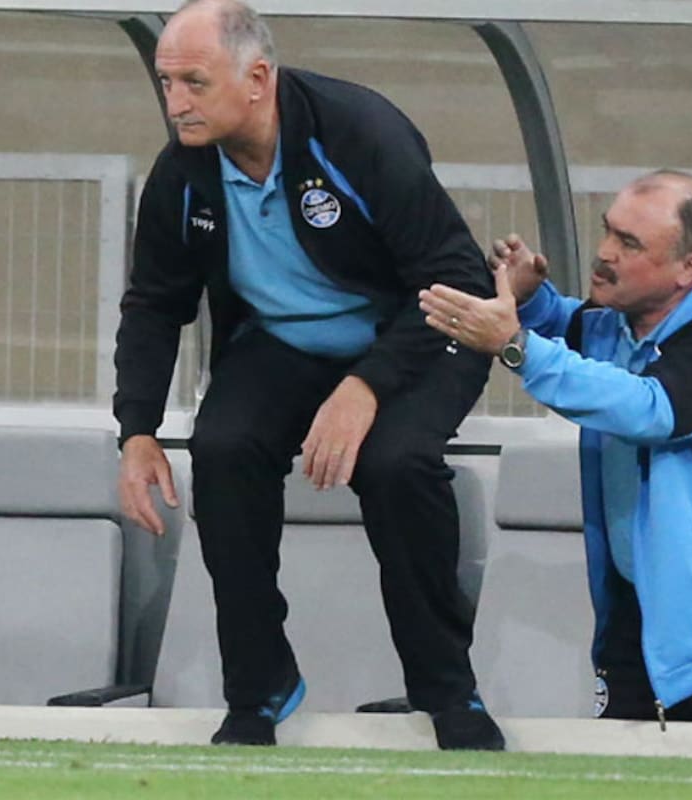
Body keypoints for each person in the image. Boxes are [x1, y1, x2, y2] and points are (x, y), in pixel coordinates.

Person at [114, 0, 504, 750]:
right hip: (284, 342)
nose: (176, 103)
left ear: (257, 79)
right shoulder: (181, 172)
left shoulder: (361, 134)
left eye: (194, 83)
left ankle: (448, 690)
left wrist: (365, 389)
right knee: (223, 449)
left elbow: (457, 276)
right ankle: (258, 688)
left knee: (397, 464)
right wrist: (136, 430)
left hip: (424, 331)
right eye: (166, 84)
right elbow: (155, 305)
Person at [419, 170, 692, 726]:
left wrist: (515, 346)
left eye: (629, 243)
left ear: (689, 268)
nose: (605, 253)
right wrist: (529, 302)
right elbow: (576, 329)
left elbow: (651, 409)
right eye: (608, 230)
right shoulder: (618, 321)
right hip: (641, 615)